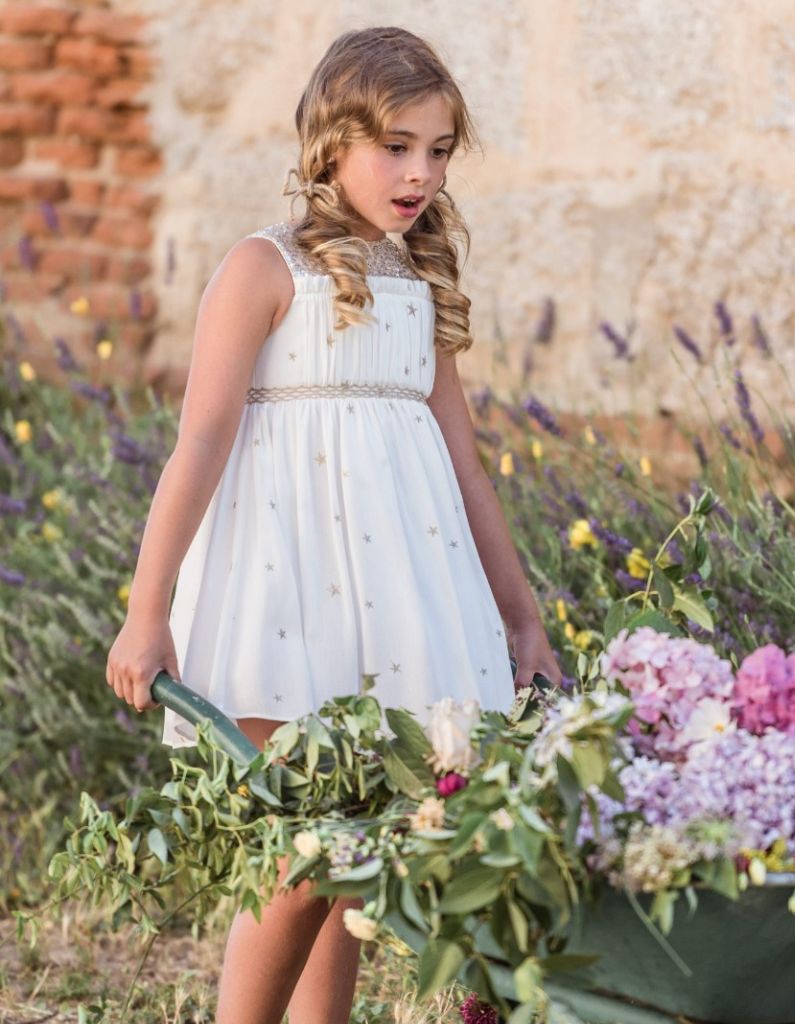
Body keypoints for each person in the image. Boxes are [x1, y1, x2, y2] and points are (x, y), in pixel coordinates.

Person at [105, 24, 561, 1024]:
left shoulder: (417, 288)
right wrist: (148, 609)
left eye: (438, 151)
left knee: (357, 865)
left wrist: (520, 619)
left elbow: (465, 466)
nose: (420, 173)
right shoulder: (262, 269)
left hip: (403, 598)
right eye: (397, 145)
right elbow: (200, 446)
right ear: (331, 140)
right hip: (289, 598)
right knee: (305, 849)